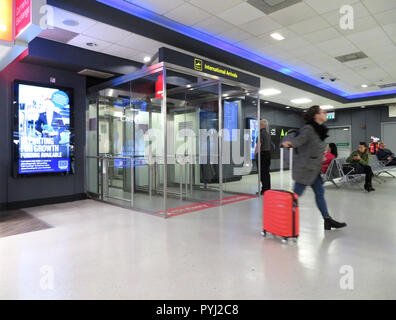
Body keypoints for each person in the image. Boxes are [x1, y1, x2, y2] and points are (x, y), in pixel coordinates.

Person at [282, 105, 347, 230]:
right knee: (295, 195)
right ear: (316, 115)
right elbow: (300, 139)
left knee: (319, 193)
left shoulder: (319, 129)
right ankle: (280, 215)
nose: (325, 114)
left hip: (314, 169)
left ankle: (327, 220)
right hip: (305, 169)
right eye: (323, 112)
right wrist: (290, 143)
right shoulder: (309, 128)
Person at [254, 119, 271, 195]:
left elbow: (258, 145)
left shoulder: (261, 134)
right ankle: (267, 189)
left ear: (261, 125)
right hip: (268, 154)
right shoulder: (267, 133)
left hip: (262, 155)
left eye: (258, 124)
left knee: (262, 173)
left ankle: (264, 190)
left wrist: (255, 153)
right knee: (266, 172)